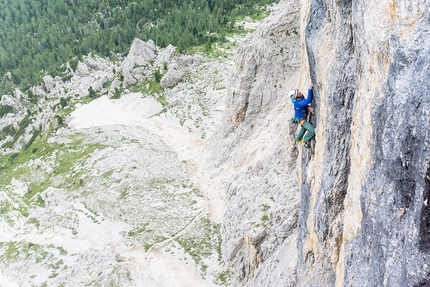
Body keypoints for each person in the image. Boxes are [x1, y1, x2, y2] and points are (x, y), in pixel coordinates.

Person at [288, 83, 315, 148]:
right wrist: (309, 89)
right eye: (297, 93)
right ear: (296, 97)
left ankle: (298, 138)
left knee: (304, 128)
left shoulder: (299, 98)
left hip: (300, 117)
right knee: (312, 130)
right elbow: (308, 100)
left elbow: (303, 105)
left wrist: (308, 108)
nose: (299, 93)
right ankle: (305, 140)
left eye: (298, 91)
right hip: (301, 119)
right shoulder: (298, 103)